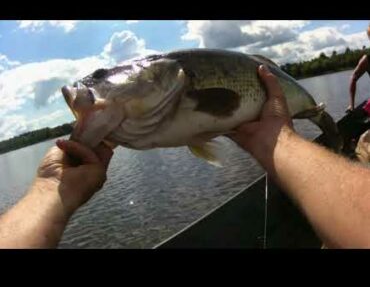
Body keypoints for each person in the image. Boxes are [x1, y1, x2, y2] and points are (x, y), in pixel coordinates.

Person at [2, 65, 370, 248]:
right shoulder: (140, 116)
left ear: (165, 73)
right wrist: (53, 188)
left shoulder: (180, 82)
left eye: (101, 77)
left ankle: (322, 119)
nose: (91, 87)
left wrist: (49, 193)